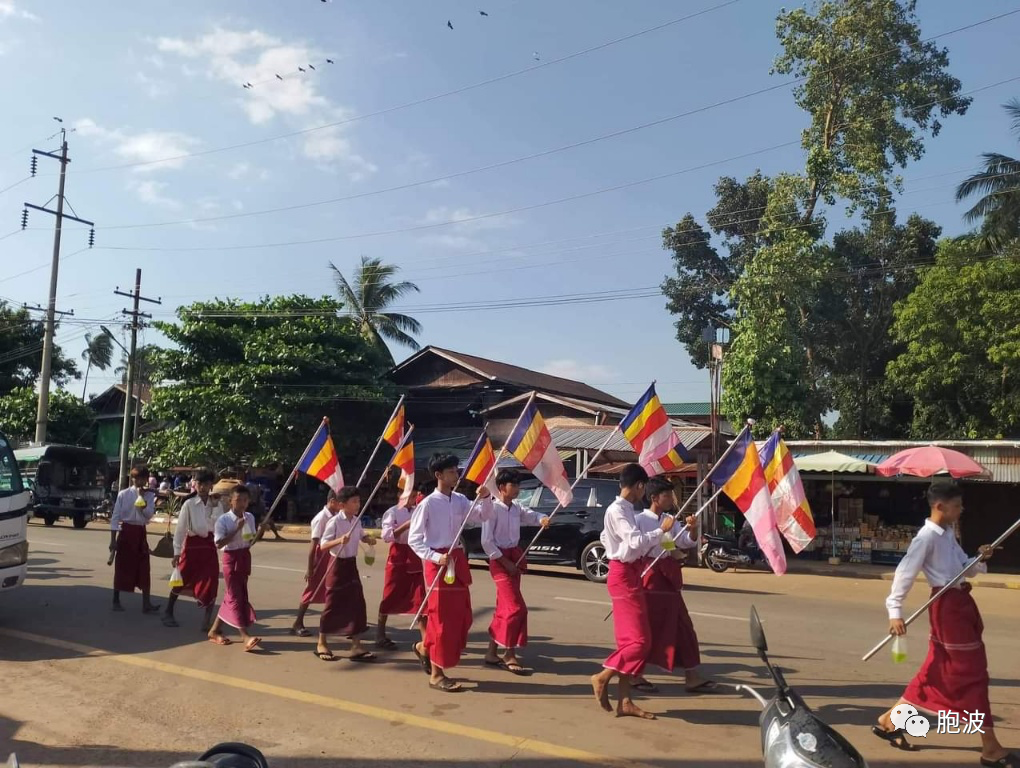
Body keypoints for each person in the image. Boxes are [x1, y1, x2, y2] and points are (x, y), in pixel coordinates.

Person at [874, 482, 1014, 765]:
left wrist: (980, 557)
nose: (961, 511)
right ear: (940, 506)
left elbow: (963, 568)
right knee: (972, 674)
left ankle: (890, 720)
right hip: (946, 608)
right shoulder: (926, 538)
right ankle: (990, 746)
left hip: (960, 604)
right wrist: (895, 611)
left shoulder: (948, 534)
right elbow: (904, 574)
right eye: (957, 506)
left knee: (937, 668)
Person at [590, 463, 674, 720]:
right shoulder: (618, 511)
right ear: (639, 487)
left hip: (630, 571)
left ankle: (624, 700)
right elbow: (634, 541)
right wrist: (661, 531)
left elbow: (606, 537)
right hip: (624, 574)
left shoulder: (625, 509)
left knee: (631, 641)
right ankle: (602, 676)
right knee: (640, 642)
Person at [408, 453, 494, 692]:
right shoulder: (427, 504)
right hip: (437, 565)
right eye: (452, 472)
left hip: (456, 561)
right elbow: (415, 540)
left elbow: (483, 516)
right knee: (440, 621)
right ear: (439, 475)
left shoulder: (460, 500)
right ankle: (436, 674)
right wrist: (436, 557)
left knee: (462, 617)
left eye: (457, 471)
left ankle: (425, 648)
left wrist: (486, 497)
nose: (456, 475)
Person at [633, 477, 715, 694]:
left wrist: (692, 528)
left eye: (672, 494)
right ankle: (633, 674)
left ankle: (692, 675)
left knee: (683, 626)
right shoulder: (640, 519)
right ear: (654, 498)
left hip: (668, 579)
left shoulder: (670, 519)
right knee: (646, 629)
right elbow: (636, 546)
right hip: (649, 578)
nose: (671, 499)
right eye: (667, 495)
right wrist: (661, 533)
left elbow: (684, 542)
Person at [481, 469, 549, 675]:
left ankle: (492, 652)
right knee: (516, 608)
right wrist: (504, 561)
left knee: (504, 607)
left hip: (515, 557)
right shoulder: (491, 509)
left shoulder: (517, 507)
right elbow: (486, 542)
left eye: (518, 485)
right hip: (499, 560)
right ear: (502, 488)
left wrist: (543, 519)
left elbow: (533, 515)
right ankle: (509, 652)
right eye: (514, 485)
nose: (518, 489)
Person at [315, 486, 377, 662]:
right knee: (332, 603)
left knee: (357, 603)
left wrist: (367, 539)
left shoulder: (356, 521)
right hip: (336, 565)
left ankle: (356, 645)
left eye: (359, 501)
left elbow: (361, 536)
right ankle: (321, 642)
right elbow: (323, 545)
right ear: (342, 505)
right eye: (354, 501)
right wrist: (339, 540)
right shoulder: (334, 522)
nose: (358, 504)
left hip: (351, 565)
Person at [164, 468, 222, 630]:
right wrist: (176, 553)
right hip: (191, 547)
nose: (202, 487)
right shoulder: (189, 504)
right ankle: (168, 611)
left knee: (211, 582)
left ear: (211, 485)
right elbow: (181, 529)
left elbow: (218, 527)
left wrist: (216, 508)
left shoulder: (216, 504)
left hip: (209, 547)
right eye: (200, 484)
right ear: (195, 484)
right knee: (180, 580)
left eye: (206, 484)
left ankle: (206, 620)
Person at [208, 485, 261, 652]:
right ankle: (245, 635)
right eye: (238, 500)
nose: (242, 504)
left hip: (244, 557)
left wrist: (261, 532)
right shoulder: (223, 520)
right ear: (230, 501)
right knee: (235, 597)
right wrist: (236, 529)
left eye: (245, 500)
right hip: (231, 559)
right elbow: (219, 543)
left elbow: (250, 540)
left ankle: (214, 630)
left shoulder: (250, 517)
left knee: (234, 596)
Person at [375, 488, 427, 651]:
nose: (412, 499)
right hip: (399, 555)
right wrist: (405, 526)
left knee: (420, 598)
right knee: (390, 594)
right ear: (400, 496)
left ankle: (426, 640)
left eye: (414, 496)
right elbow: (387, 536)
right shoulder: (392, 512)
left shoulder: (419, 510)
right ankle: (380, 634)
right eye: (409, 496)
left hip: (416, 554)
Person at [291, 489, 342, 637]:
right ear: (332, 501)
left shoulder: (336, 516)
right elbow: (314, 544)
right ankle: (298, 622)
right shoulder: (321, 518)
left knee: (334, 589)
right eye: (340, 502)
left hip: (332, 555)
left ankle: (336, 622)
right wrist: (310, 568)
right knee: (311, 590)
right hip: (321, 556)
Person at [110, 466, 160, 614]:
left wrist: (142, 499)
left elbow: (148, 515)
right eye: (136, 478)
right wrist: (113, 539)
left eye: (142, 479)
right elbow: (115, 518)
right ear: (132, 479)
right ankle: (115, 600)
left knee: (144, 567)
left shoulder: (149, 496)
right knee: (122, 566)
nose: (139, 481)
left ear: (146, 480)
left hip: (140, 532)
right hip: (126, 532)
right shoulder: (123, 494)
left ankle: (146, 603)